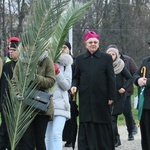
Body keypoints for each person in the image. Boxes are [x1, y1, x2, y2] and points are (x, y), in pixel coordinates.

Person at [71, 30, 116, 150]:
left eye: (95, 42)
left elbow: (111, 78)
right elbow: (76, 77)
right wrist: (74, 85)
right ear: (86, 44)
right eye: (90, 42)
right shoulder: (80, 59)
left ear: (99, 43)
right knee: (86, 123)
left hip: (102, 99)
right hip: (86, 99)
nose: (93, 44)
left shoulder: (106, 58)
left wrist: (112, 96)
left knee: (102, 124)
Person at [11, 41, 56, 149]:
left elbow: (51, 81)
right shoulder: (21, 62)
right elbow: (14, 81)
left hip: (41, 107)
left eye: (32, 44)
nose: (29, 47)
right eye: (26, 45)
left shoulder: (46, 60)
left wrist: (35, 78)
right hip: (25, 106)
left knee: (39, 140)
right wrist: (17, 93)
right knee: (26, 141)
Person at [107, 44, 138, 141]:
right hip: (110, 95)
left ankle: (130, 131)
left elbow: (133, 74)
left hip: (124, 93)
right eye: (109, 54)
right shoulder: (105, 65)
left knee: (127, 112)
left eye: (114, 54)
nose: (112, 56)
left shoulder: (126, 61)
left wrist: (125, 87)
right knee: (112, 117)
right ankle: (115, 138)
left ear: (118, 53)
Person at [45, 49, 73, 150]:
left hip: (61, 104)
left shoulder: (66, 63)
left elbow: (67, 86)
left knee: (56, 134)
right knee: (47, 136)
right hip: (46, 104)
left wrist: (57, 72)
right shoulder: (44, 61)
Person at [0, 37, 20, 150]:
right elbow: (3, 86)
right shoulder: (6, 66)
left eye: (13, 50)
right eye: (9, 50)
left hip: (17, 103)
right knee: (4, 130)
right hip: (5, 102)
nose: (10, 52)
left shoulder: (22, 66)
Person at [134, 42, 150, 150]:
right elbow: (136, 74)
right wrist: (138, 80)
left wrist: (147, 82)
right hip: (145, 105)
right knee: (145, 135)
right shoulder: (146, 61)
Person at [62, 41, 78, 148]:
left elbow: (76, 76)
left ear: (69, 49)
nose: (63, 50)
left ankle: (71, 139)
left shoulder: (74, 61)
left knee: (71, 116)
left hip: (71, 91)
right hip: (60, 92)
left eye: (65, 47)